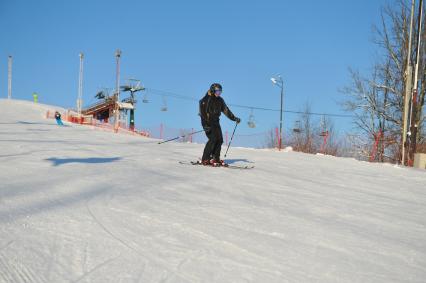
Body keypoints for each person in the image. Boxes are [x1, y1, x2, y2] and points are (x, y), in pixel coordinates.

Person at [199, 83, 240, 166]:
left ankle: (215, 158)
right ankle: (205, 158)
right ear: (213, 90)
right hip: (208, 122)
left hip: (216, 122)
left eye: (220, 92)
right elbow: (202, 114)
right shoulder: (205, 100)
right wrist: (205, 125)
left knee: (220, 140)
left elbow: (226, 110)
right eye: (217, 92)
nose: (219, 93)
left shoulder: (220, 100)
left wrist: (234, 118)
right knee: (213, 139)